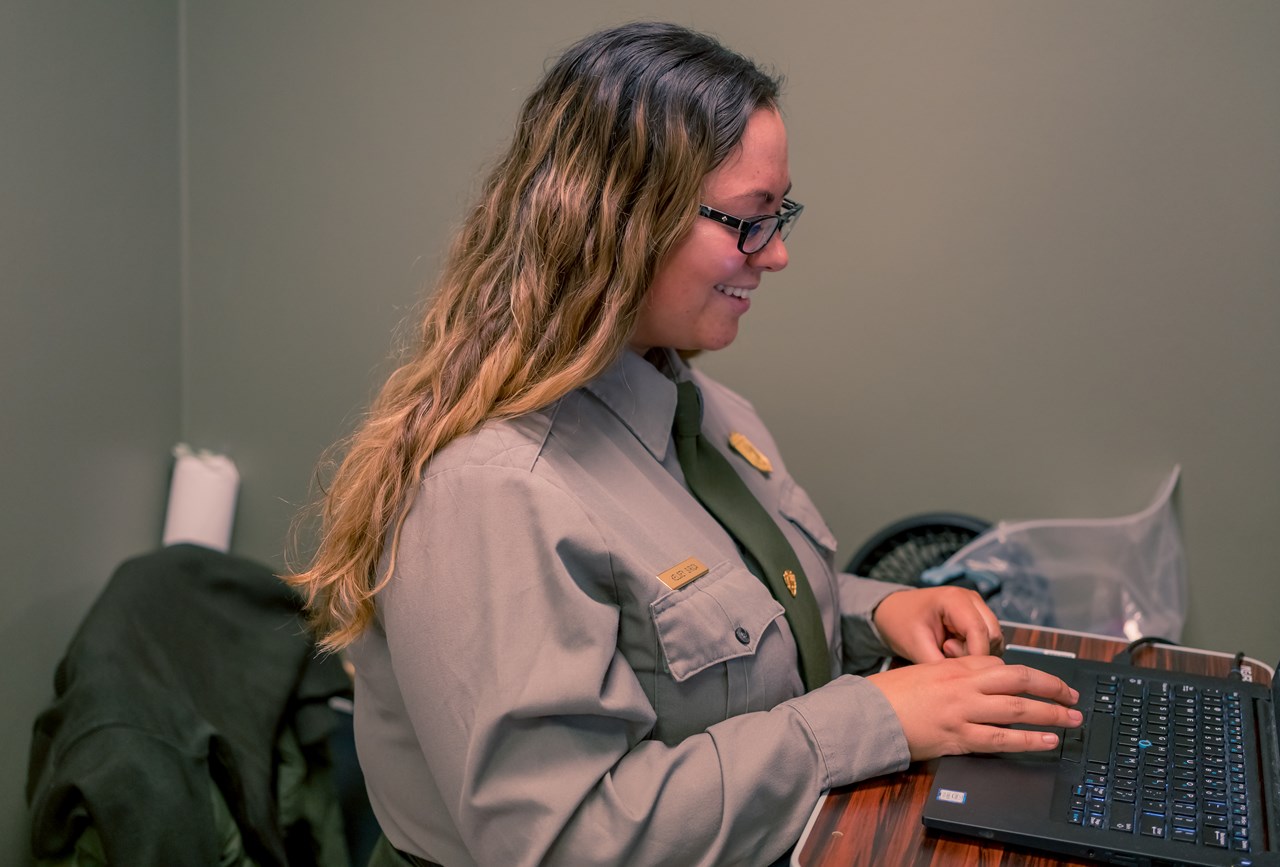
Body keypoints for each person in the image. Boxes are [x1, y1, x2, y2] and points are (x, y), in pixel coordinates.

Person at [286, 21, 1081, 867]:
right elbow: (566, 840)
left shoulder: (702, 410)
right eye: (748, 220)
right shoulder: (493, 492)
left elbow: (710, 636)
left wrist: (876, 612)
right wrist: (877, 718)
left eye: (781, 216)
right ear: (620, 220)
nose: (775, 255)